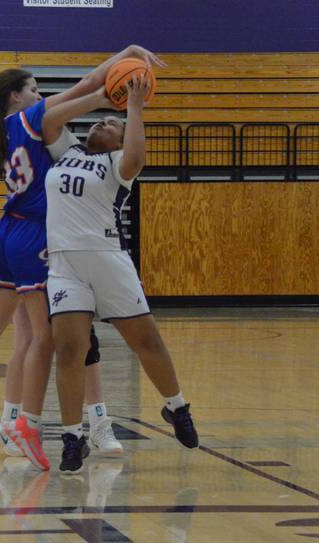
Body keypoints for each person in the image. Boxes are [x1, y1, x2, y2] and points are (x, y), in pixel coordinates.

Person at [0, 46, 163, 468]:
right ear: (16, 95)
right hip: (36, 235)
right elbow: (86, 85)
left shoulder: (1, 135)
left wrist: (7, 172)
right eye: (33, 89)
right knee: (44, 338)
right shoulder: (32, 120)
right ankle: (26, 425)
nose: (38, 94)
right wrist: (117, 72)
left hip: (5, 230)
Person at [40, 76, 199, 473]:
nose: (100, 124)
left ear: (120, 139)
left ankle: (176, 407)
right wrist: (96, 95)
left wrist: (134, 107)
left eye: (110, 125)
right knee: (70, 351)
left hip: (108, 258)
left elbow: (136, 157)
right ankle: (73, 436)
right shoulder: (66, 152)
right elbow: (48, 122)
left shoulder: (117, 165)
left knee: (146, 340)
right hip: (64, 265)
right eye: (98, 121)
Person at [0, 307, 122, 458]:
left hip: (68, 284)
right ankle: (10, 422)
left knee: (85, 340)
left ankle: (99, 423)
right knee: (27, 342)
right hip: (32, 284)